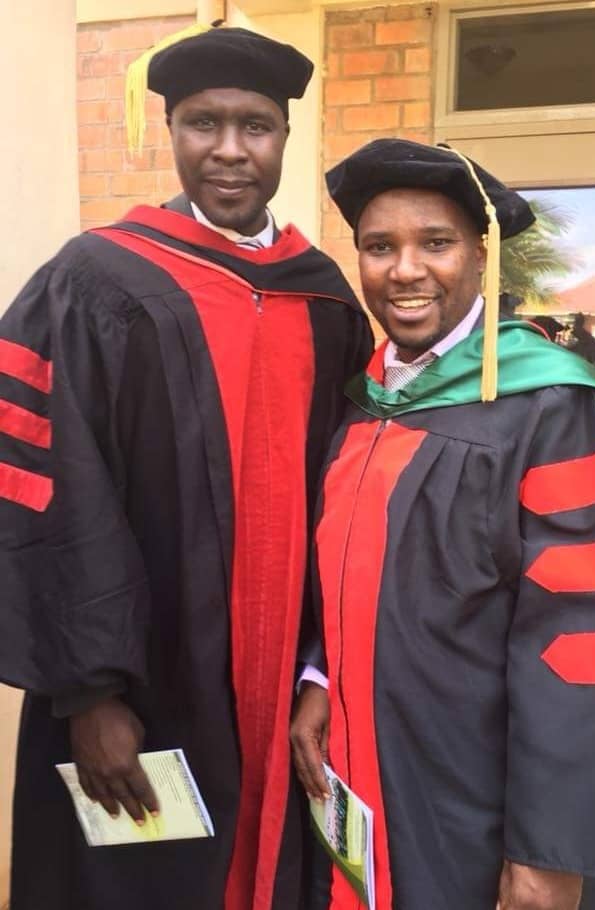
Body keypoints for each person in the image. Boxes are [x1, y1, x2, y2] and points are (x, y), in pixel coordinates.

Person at [0, 25, 371, 910]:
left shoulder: (325, 296)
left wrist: (323, 670)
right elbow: (48, 484)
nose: (230, 150)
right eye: (204, 123)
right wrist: (88, 693)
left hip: (286, 678)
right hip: (145, 678)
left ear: (285, 136)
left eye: (256, 125)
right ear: (169, 131)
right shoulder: (94, 281)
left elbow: (354, 496)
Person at [290, 139, 595, 910]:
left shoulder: (552, 407)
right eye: (380, 247)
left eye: (435, 243)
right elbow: (345, 569)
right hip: (367, 759)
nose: (405, 269)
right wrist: (319, 676)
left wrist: (550, 848)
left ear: (482, 256)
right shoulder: (367, 400)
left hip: (482, 791)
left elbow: (587, 642)